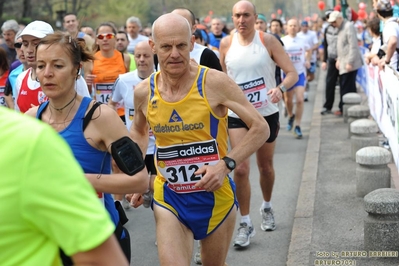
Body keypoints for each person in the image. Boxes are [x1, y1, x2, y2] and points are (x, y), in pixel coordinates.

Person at [130, 13, 269, 266]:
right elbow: (139, 132)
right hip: (169, 195)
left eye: (181, 45)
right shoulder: (143, 92)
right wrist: (137, 173)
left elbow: (261, 127)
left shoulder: (214, 82)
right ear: (153, 47)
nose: (174, 54)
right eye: (166, 47)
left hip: (214, 197)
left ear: (192, 43)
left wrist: (225, 164)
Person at [26, 32, 149, 264]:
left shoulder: (100, 117)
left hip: (99, 241)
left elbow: (140, 180)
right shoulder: (32, 118)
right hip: (50, 242)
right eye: (40, 65)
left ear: (76, 69)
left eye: (58, 65)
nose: (47, 73)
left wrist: (77, 181)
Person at [0, 107, 129, 266]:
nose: (48, 79)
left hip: (102, 226)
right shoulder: (31, 119)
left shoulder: (32, 137)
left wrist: (73, 181)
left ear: (76, 79)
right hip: (55, 237)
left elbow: (139, 179)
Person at [219, 0, 298, 248]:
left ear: (255, 17)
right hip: (237, 114)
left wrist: (280, 88)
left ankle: (267, 206)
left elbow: (292, 73)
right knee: (240, 168)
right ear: (232, 18)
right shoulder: (226, 44)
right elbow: (221, 79)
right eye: (237, 16)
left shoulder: (268, 41)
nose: (241, 20)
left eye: (246, 15)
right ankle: (245, 222)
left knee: (265, 167)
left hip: (265, 113)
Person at [109, 41, 156, 210]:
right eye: (138, 56)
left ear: (153, 56)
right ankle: (118, 209)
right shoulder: (123, 80)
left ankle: (148, 192)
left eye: (146, 56)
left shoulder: (163, 79)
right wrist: (116, 131)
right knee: (127, 186)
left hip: (158, 147)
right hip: (135, 146)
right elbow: (112, 104)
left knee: (157, 192)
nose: (142, 60)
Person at [15, 21, 90, 113]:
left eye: (36, 44)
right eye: (25, 44)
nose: (29, 50)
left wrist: (45, 115)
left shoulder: (72, 78)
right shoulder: (20, 79)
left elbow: (86, 112)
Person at [328, 11, 363, 116]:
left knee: (348, 87)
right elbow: (341, 46)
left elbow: (353, 46)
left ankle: (346, 109)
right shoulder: (340, 28)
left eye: (334, 22)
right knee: (344, 86)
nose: (333, 24)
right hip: (343, 61)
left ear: (339, 19)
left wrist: (350, 62)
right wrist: (339, 59)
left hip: (349, 63)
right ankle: (344, 109)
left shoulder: (348, 26)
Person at [281, 19, 311, 139]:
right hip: (287, 74)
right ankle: (290, 115)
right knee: (288, 100)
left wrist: (307, 60)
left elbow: (308, 50)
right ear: (286, 28)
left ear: (298, 27)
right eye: (290, 25)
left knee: (299, 99)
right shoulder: (282, 41)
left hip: (300, 74)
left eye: (295, 25)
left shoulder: (302, 40)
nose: (293, 27)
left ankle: (297, 126)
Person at [321, 9, 340, 115]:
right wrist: (324, 60)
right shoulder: (327, 29)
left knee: (343, 83)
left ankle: (342, 107)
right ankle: (328, 106)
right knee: (329, 83)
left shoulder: (341, 28)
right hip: (331, 59)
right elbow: (325, 45)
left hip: (341, 59)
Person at [297, 20, 319, 102]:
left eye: (306, 26)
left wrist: (310, 50)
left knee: (311, 77)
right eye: (303, 26)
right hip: (302, 60)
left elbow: (316, 44)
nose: (304, 28)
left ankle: (305, 82)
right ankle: (304, 93)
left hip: (311, 58)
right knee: (303, 75)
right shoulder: (298, 35)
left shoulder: (312, 34)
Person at [375, 0, 399, 71]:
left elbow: (393, 41)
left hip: (395, 68)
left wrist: (387, 59)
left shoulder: (390, 25)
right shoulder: (394, 23)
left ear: (379, 13)